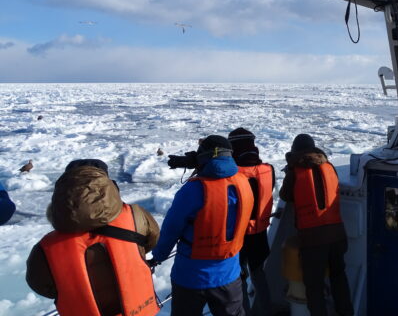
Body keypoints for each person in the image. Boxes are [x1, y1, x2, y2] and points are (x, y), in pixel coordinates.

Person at [26, 159, 160, 316]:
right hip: (137, 310)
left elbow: (40, 283)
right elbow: (151, 239)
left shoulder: (46, 247)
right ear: (108, 186)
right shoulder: (136, 216)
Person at [152, 135, 254, 316]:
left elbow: (171, 228)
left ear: (202, 158)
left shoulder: (193, 190)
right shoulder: (243, 183)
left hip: (190, 277)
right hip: (229, 275)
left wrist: (158, 256)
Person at [279, 134, 353, 316]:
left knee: (314, 287)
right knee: (339, 279)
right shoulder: (329, 166)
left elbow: (285, 196)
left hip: (313, 240)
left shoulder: (295, 172)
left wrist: (290, 170)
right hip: (337, 234)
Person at [228, 128, 274, 316]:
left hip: (237, 237)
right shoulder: (267, 170)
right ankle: (267, 312)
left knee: (238, 280)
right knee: (258, 275)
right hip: (260, 235)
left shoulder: (231, 174)